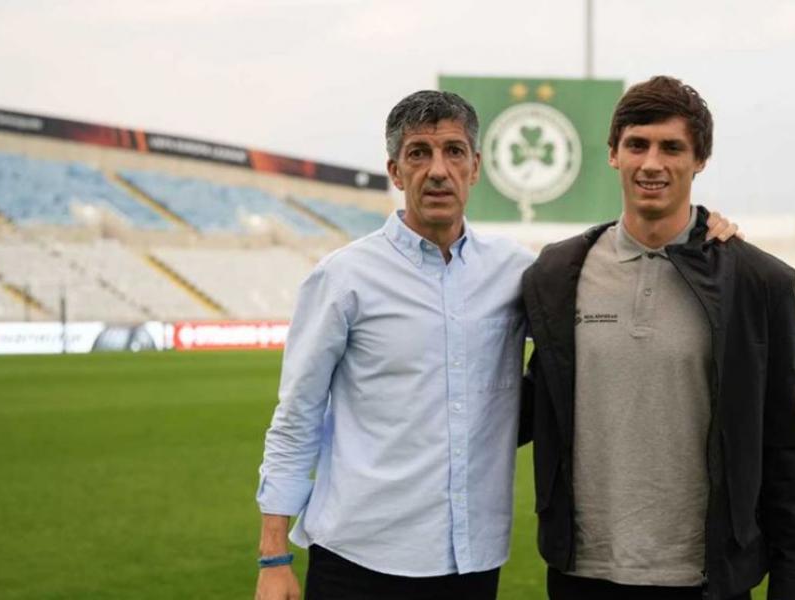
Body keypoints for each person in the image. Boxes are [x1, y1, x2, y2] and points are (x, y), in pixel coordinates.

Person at [253, 89, 739, 600]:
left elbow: (608, 300)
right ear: (395, 172)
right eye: (419, 153)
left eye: (454, 152)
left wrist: (704, 232)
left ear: (476, 166)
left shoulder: (517, 271)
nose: (437, 170)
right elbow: (296, 418)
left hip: (473, 563)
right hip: (360, 556)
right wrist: (274, 557)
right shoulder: (343, 278)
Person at [521, 76, 795, 600]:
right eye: (637, 145)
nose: (652, 163)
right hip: (582, 573)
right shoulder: (556, 272)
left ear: (699, 158)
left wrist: (793, 584)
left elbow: (785, 444)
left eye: (672, 148)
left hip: (706, 580)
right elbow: (522, 403)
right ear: (614, 154)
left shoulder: (755, 282)